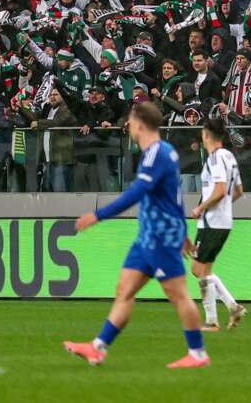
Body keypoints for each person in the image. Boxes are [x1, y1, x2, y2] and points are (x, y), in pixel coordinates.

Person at [63, 101, 209, 369]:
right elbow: (174, 198)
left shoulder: (156, 153)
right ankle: (98, 348)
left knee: (178, 294)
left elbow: (136, 193)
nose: (127, 125)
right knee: (125, 289)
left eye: (130, 120)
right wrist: (185, 232)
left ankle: (198, 353)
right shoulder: (163, 152)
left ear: (140, 124)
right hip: (150, 236)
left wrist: (98, 215)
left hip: (162, 235)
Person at [186, 116, 246, 331]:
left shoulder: (215, 159)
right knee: (200, 269)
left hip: (212, 222)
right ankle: (232, 306)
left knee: (200, 270)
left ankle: (212, 320)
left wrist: (201, 208)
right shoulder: (229, 156)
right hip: (219, 221)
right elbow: (238, 191)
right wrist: (224, 207)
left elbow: (220, 190)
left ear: (206, 135)